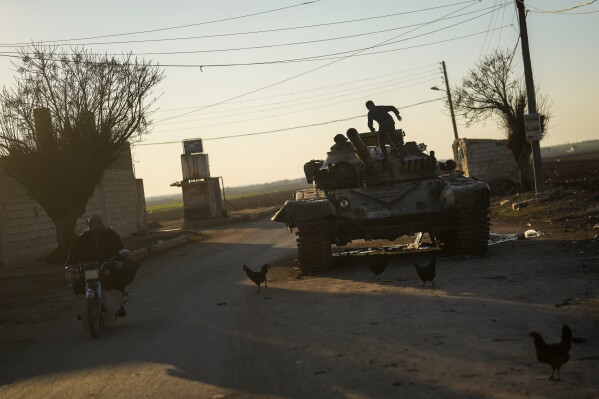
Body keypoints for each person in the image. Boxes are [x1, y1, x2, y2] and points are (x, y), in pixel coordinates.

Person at [66, 214, 138, 316]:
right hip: (88, 268)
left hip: (107, 265)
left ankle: (119, 304)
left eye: (97, 223)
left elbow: (120, 248)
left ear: (101, 224)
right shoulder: (83, 238)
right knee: (77, 282)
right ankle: (82, 307)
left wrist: (120, 259)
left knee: (117, 277)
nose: (95, 225)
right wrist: (70, 264)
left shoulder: (111, 235)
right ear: (89, 225)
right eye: (92, 223)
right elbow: (74, 251)